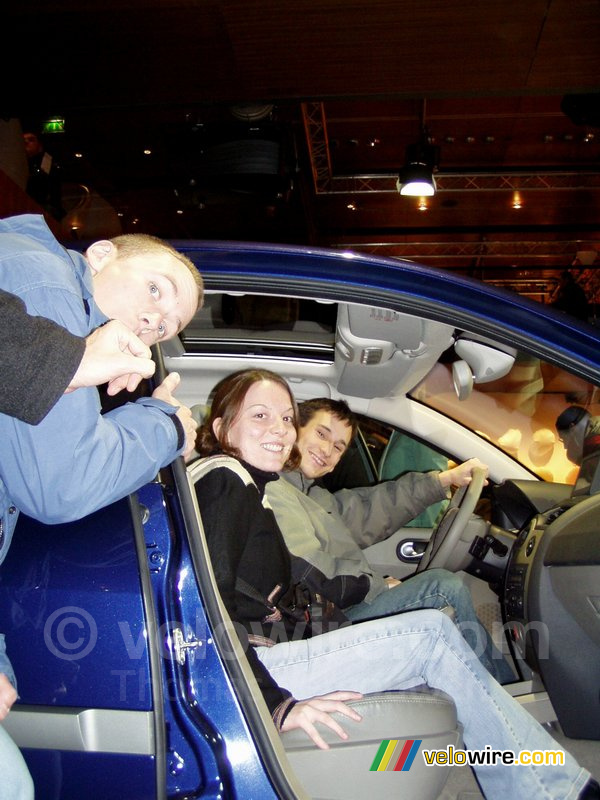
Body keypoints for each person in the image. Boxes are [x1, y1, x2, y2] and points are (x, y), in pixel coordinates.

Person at [194, 368, 597, 800]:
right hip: (254, 664)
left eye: (286, 418)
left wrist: (438, 483)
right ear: (221, 427)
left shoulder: (265, 488)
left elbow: (361, 511)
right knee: (432, 626)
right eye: (260, 416)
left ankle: (509, 732)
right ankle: (547, 781)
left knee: (432, 629)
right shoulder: (226, 480)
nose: (279, 429)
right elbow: (206, 608)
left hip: (278, 644)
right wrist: (278, 704)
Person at [0, 212, 203, 800]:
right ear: (100, 254)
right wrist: (163, 425)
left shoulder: (57, 308)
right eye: (155, 289)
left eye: (165, 325)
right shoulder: (46, 284)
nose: (154, 317)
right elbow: (58, 488)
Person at [265, 397, 514, 683]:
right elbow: (311, 572)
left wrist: (443, 481)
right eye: (322, 434)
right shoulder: (275, 491)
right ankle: (505, 693)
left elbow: (372, 508)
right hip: (325, 626)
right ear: (294, 429)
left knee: (440, 589)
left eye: (338, 447)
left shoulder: (312, 496)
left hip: (332, 614)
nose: (327, 451)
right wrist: (378, 585)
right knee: (443, 589)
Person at [0, 287, 157, 424]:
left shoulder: (121, 388)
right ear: (101, 255)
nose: (154, 322)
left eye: (162, 328)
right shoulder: (50, 289)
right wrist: (168, 425)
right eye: (153, 289)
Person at [22, 130, 65, 221]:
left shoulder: (47, 163)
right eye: (23, 140)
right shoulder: (15, 164)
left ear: (40, 146)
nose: (26, 142)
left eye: (31, 140)